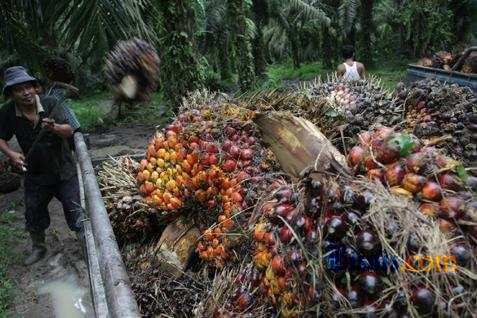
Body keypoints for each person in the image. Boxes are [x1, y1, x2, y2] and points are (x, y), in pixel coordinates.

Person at [0, 66, 83, 266]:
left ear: (35, 88)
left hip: (64, 170)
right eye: (19, 89)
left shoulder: (52, 103)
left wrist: (54, 127)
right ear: (12, 93)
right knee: (33, 213)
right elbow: (1, 137)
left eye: (28, 87)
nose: (26, 92)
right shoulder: (8, 112)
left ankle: (85, 244)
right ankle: (39, 247)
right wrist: (11, 154)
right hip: (35, 173)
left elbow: (70, 130)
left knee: (76, 211)